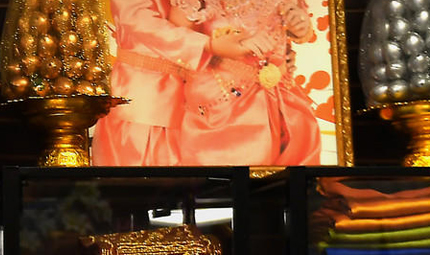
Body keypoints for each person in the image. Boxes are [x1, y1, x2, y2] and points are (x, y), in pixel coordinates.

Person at [95, 0, 322, 167]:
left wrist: (276, 56)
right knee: (138, 186)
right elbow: (143, 25)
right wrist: (210, 47)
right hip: (148, 97)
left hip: (204, 96)